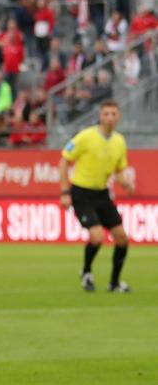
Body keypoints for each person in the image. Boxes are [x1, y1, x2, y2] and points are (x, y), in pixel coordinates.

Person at [59, 100, 134, 292]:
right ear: (100, 116)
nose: (109, 117)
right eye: (106, 114)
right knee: (97, 236)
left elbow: (118, 170)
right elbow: (64, 161)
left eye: (113, 114)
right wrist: (65, 192)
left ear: (118, 117)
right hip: (81, 193)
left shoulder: (119, 141)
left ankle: (115, 283)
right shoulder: (85, 137)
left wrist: (124, 182)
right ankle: (86, 272)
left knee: (122, 238)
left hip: (102, 194)